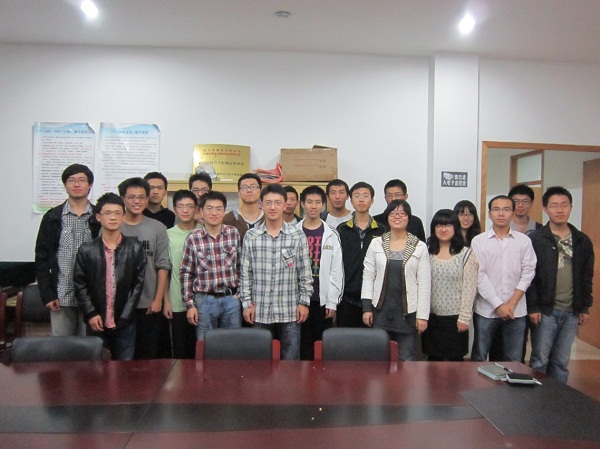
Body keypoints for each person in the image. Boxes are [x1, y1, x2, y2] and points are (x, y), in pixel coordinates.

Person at [528, 186, 594, 383]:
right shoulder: (536, 239)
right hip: (545, 310)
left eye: (564, 205)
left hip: (571, 311)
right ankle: (536, 398)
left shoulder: (582, 240)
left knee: (561, 362)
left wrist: (584, 306)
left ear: (571, 207)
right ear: (545, 209)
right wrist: (533, 307)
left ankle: (558, 398)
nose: (559, 210)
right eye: (554, 205)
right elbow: (529, 277)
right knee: (540, 360)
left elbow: (586, 276)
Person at [240, 184, 312, 360]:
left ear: (285, 205)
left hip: (290, 309)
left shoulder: (297, 236)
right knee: (260, 361)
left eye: (277, 203)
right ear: (261, 205)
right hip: (259, 309)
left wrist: (304, 302)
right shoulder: (251, 236)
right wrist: (246, 304)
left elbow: (305, 272)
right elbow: (245, 274)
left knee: (290, 361)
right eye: (268, 202)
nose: (273, 207)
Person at [73, 193, 146, 360]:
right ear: (98, 217)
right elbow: (80, 284)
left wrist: (125, 316)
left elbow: (137, 284)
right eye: (108, 213)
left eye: (117, 213)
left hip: (125, 321)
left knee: (124, 366)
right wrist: (90, 313)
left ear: (123, 216)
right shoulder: (87, 249)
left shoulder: (135, 247)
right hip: (96, 319)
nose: (113, 217)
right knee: (97, 367)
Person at [35, 163, 100, 336]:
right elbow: (41, 258)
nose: (76, 184)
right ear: (65, 185)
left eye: (82, 180)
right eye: (71, 180)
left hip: (92, 297)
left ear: (90, 185)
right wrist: (47, 294)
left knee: (90, 347)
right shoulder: (52, 217)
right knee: (61, 347)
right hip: (61, 295)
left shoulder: (99, 217)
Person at [362, 200, 430, 361]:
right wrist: (366, 308)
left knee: (407, 358)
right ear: (387, 217)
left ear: (409, 218)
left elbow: (424, 283)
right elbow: (368, 276)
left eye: (402, 213)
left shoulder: (419, 246)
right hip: (380, 310)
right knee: (380, 359)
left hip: (407, 313)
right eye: (393, 213)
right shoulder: (376, 243)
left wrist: (422, 316)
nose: (397, 216)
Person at [470, 195, 536, 362]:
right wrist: (498, 305)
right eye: (496, 209)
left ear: (512, 213)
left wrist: (511, 303)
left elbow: (528, 271)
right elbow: (478, 275)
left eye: (506, 209)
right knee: (479, 356)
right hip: (486, 310)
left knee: (514, 359)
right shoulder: (478, 241)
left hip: (516, 311)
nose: (501, 213)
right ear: (489, 213)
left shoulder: (524, 241)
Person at [118, 177, 171, 359]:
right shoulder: (113, 225)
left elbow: (163, 265)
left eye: (141, 197)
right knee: (123, 356)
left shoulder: (158, 228)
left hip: (149, 303)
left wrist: (158, 299)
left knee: (147, 357)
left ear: (147, 199)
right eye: (132, 197)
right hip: (121, 304)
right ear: (123, 198)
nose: (137, 201)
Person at [181, 191, 242, 340]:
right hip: (204, 300)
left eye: (219, 209)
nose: (214, 213)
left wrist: (240, 294)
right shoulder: (193, 238)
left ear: (224, 211)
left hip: (231, 299)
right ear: (201, 211)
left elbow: (241, 266)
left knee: (233, 344)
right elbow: (186, 273)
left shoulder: (233, 233)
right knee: (205, 344)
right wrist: (190, 305)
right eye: (209, 208)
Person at [422, 209, 478, 361]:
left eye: (447, 225)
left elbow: (469, 287)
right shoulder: (426, 252)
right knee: (433, 362)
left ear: (455, 228)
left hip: (456, 319)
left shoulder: (466, 254)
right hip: (431, 318)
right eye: (439, 225)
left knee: (455, 365)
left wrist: (464, 317)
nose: (443, 229)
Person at [296, 186, 344, 360]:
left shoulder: (331, 234)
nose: (313, 206)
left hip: (321, 299)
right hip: (297, 300)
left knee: (321, 347)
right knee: (301, 346)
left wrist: (332, 302)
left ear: (323, 205)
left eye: (318, 202)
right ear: (302, 204)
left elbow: (337, 271)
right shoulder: (293, 232)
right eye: (309, 202)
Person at [337, 182, 385, 327]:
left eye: (366, 196)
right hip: (346, 297)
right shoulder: (342, 229)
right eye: (357, 196)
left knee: (372, 339)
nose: (361, 200)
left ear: (372, 200)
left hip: (374, 298)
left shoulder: (382, 231)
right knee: (346, 338)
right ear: (351, 201)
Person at [164, 190, 201, 358]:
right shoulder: (167, 235)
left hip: (202, 302)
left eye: (189, 206)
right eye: (181, 206)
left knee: (200, 350)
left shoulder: (204, 231)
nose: (185, 210)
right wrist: (166, 301)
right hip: (177, 302)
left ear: (196, 209)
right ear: (174, 209)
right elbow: (165, 270)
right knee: (180, 352)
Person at [223, 173, 265, 242]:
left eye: (253, 187)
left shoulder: (268, 218)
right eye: (244, 187)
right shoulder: (228, 219)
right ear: (239, 193)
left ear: (260, 191)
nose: (249, 190)